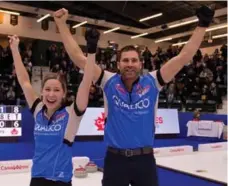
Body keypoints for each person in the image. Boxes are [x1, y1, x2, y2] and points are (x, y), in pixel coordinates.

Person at [54, 5, 214, 186]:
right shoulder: (108, 81)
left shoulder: (154, 81)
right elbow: (78, 57)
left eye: (133, 60)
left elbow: (183, 57)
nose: (129, 64)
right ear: (118, 64)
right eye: (125, 60)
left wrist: (203, 25)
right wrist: (61, 24)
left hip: (144, 160)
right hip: (115, 160)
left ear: (140, 64)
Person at [8, 29, 99, 186]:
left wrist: (91, 52)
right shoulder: (37, 109)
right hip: (37, 179)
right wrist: (15, 50)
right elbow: (24, 81)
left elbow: (85, 83)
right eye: (48, 89)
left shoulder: (72, 114)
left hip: (60, 181)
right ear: (42, 91)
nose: (51, 94)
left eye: (57, 90)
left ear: (63, 94)